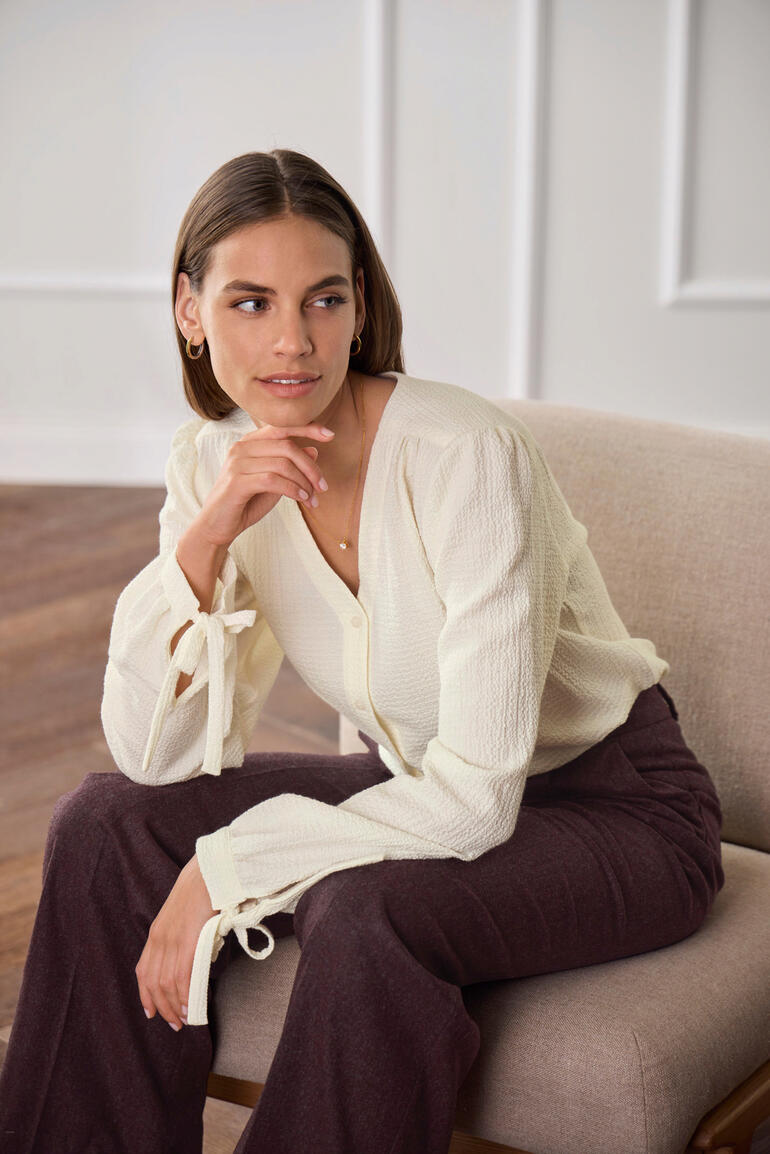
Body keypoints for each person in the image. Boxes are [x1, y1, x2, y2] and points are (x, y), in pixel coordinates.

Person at [0, 148, 725, 1154]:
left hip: (619, 812)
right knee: (102, 822)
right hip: (418, 781)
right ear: (188, 309)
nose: (293, 341)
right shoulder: (210, 464)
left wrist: (229, 864)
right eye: (250, 301)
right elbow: (152, 756)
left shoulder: (462, 454)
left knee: (364, 907)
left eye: (324, 299)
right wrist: (204, 541)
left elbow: (477, 796)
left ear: (358, 307)